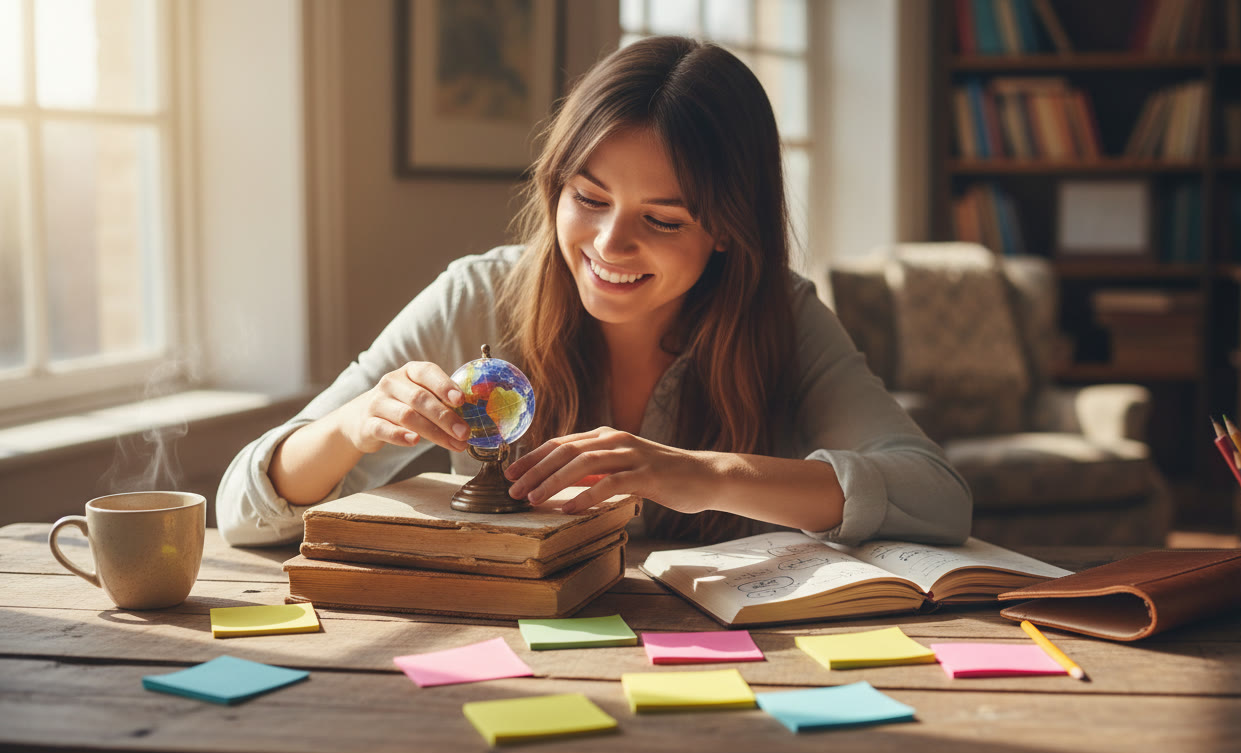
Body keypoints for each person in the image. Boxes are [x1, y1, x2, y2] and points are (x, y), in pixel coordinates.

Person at [216, 35, 972, 548]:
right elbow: (242, 513)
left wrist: (696, 474)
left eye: (664, 220)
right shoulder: (475, 297)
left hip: (735, 677)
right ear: (554, 187)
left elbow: (935, 495)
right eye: (589, 197)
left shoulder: (783, 315)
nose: (611, 245)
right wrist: (354, 424)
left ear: (726, 231)